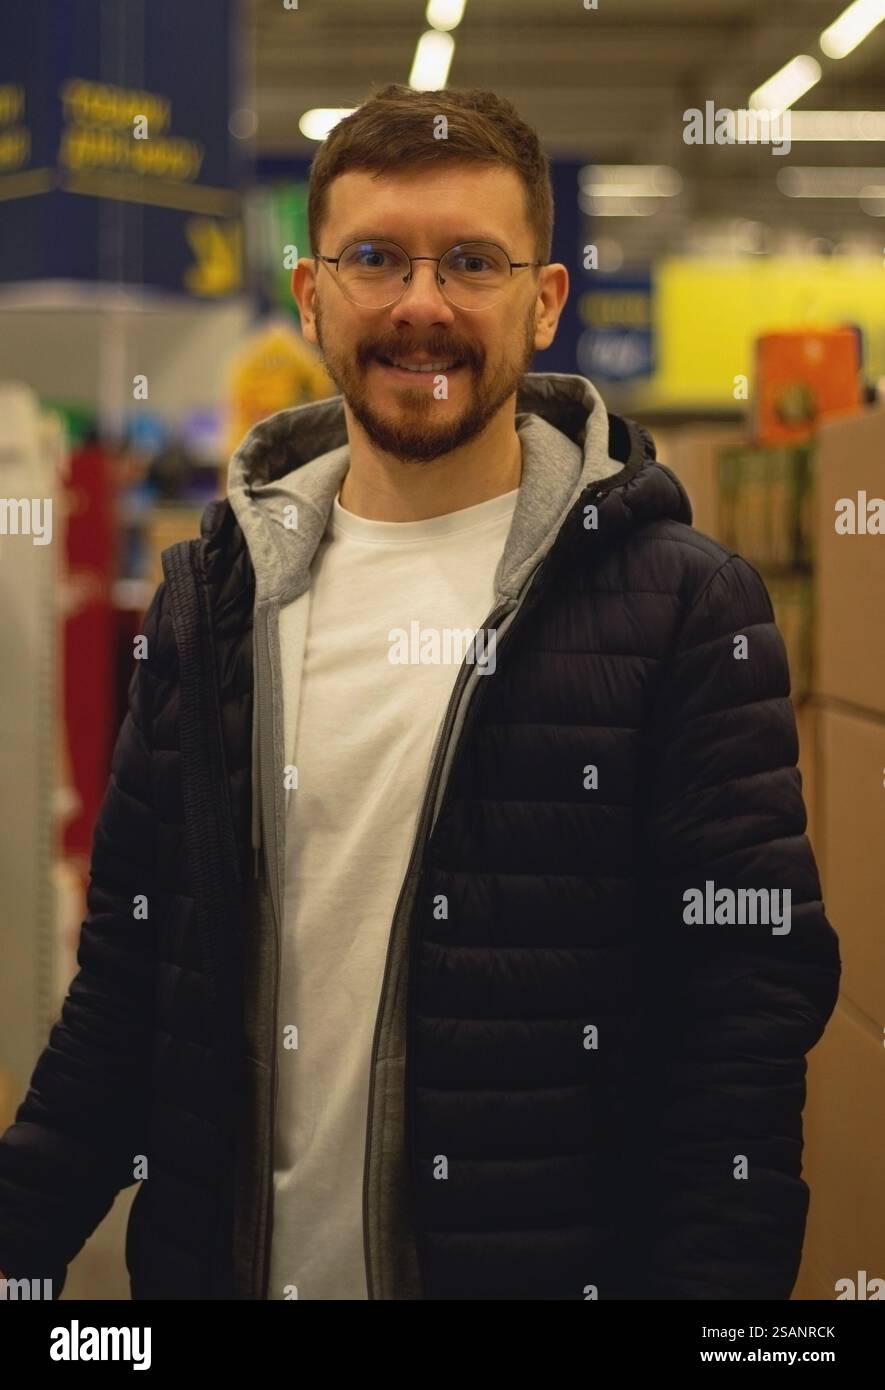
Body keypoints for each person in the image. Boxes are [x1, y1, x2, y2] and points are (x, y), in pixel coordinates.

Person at [0, 83, 840, 1301]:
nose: (422, 306)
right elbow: (130, 986)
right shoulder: (211, 605)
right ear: (312, 294)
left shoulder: (681, 608)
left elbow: (747, 1012)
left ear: (544, 301)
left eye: (473, 262)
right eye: (378, 258)